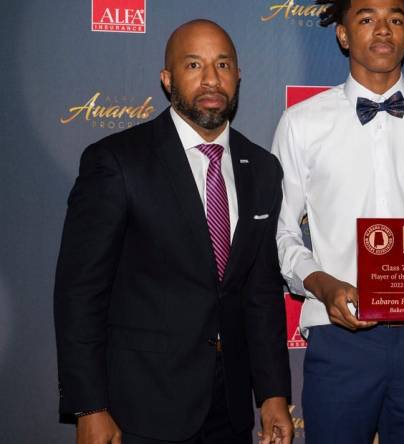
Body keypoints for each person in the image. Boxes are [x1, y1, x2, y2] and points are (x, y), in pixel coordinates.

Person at [54, 19, 293, 444]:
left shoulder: (261, 168)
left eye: (222, 64)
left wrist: (272, 393)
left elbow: (260, 293)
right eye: (193, 65)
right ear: (168, 80)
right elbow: (80, 293)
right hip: (140, 408)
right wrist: (89, 406)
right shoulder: (117, 162)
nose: (210, 79)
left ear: (238, 76)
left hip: (230, 408)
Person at [272, 0, 404, 442]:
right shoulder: (301, 123)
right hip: (340, 340)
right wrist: (323, 286)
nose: (383, 29)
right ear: (343, 34)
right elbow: (282, 233)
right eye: (367, 18)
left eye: (396, 19)